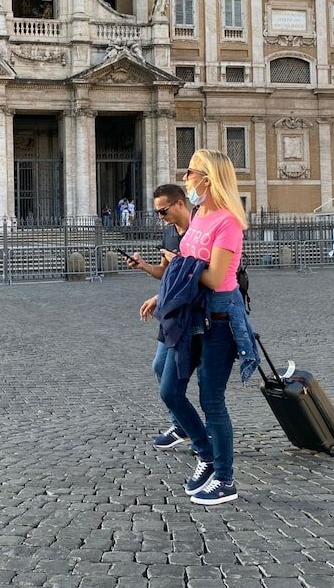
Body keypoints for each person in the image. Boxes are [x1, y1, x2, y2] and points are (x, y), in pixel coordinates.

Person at [146, 149, 258, 506]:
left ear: (208, 180)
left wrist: (182, 264)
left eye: (191, 172)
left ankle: (224, 478)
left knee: (211, 399)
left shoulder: (227, 222)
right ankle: (206, 453)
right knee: (170, 388)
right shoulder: (198, 218)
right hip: (192, 315)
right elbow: (191, 265)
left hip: (220, 318)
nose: (186, 179)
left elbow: (212, 275)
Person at [130, 186, 195, 450]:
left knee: (197, 381)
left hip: (193, 312)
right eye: (157, 212)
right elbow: (166, 273)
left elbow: (195, 276)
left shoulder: (198, 233)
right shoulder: (169, 233)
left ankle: (198, 431)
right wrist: (144, 266)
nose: (160, 216)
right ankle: (181, 424)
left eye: (163, 211)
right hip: (170, 313)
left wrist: (159, 297)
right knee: (159, 366)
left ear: (179, 204)